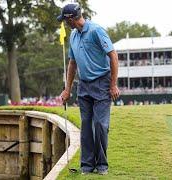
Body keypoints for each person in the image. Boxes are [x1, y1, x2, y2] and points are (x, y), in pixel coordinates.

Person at [57, 3, 120, 175]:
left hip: (102, 83)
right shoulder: (73, 36)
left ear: (71, 18)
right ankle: (87, 165)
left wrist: (113, 84)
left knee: (100, 125)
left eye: (64, 19)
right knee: (86, 125)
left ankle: (101, 165)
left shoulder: (96, 31)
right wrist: (67, 89)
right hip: (83, 85)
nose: (63, 22)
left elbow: (113, 55)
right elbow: (72, 63)